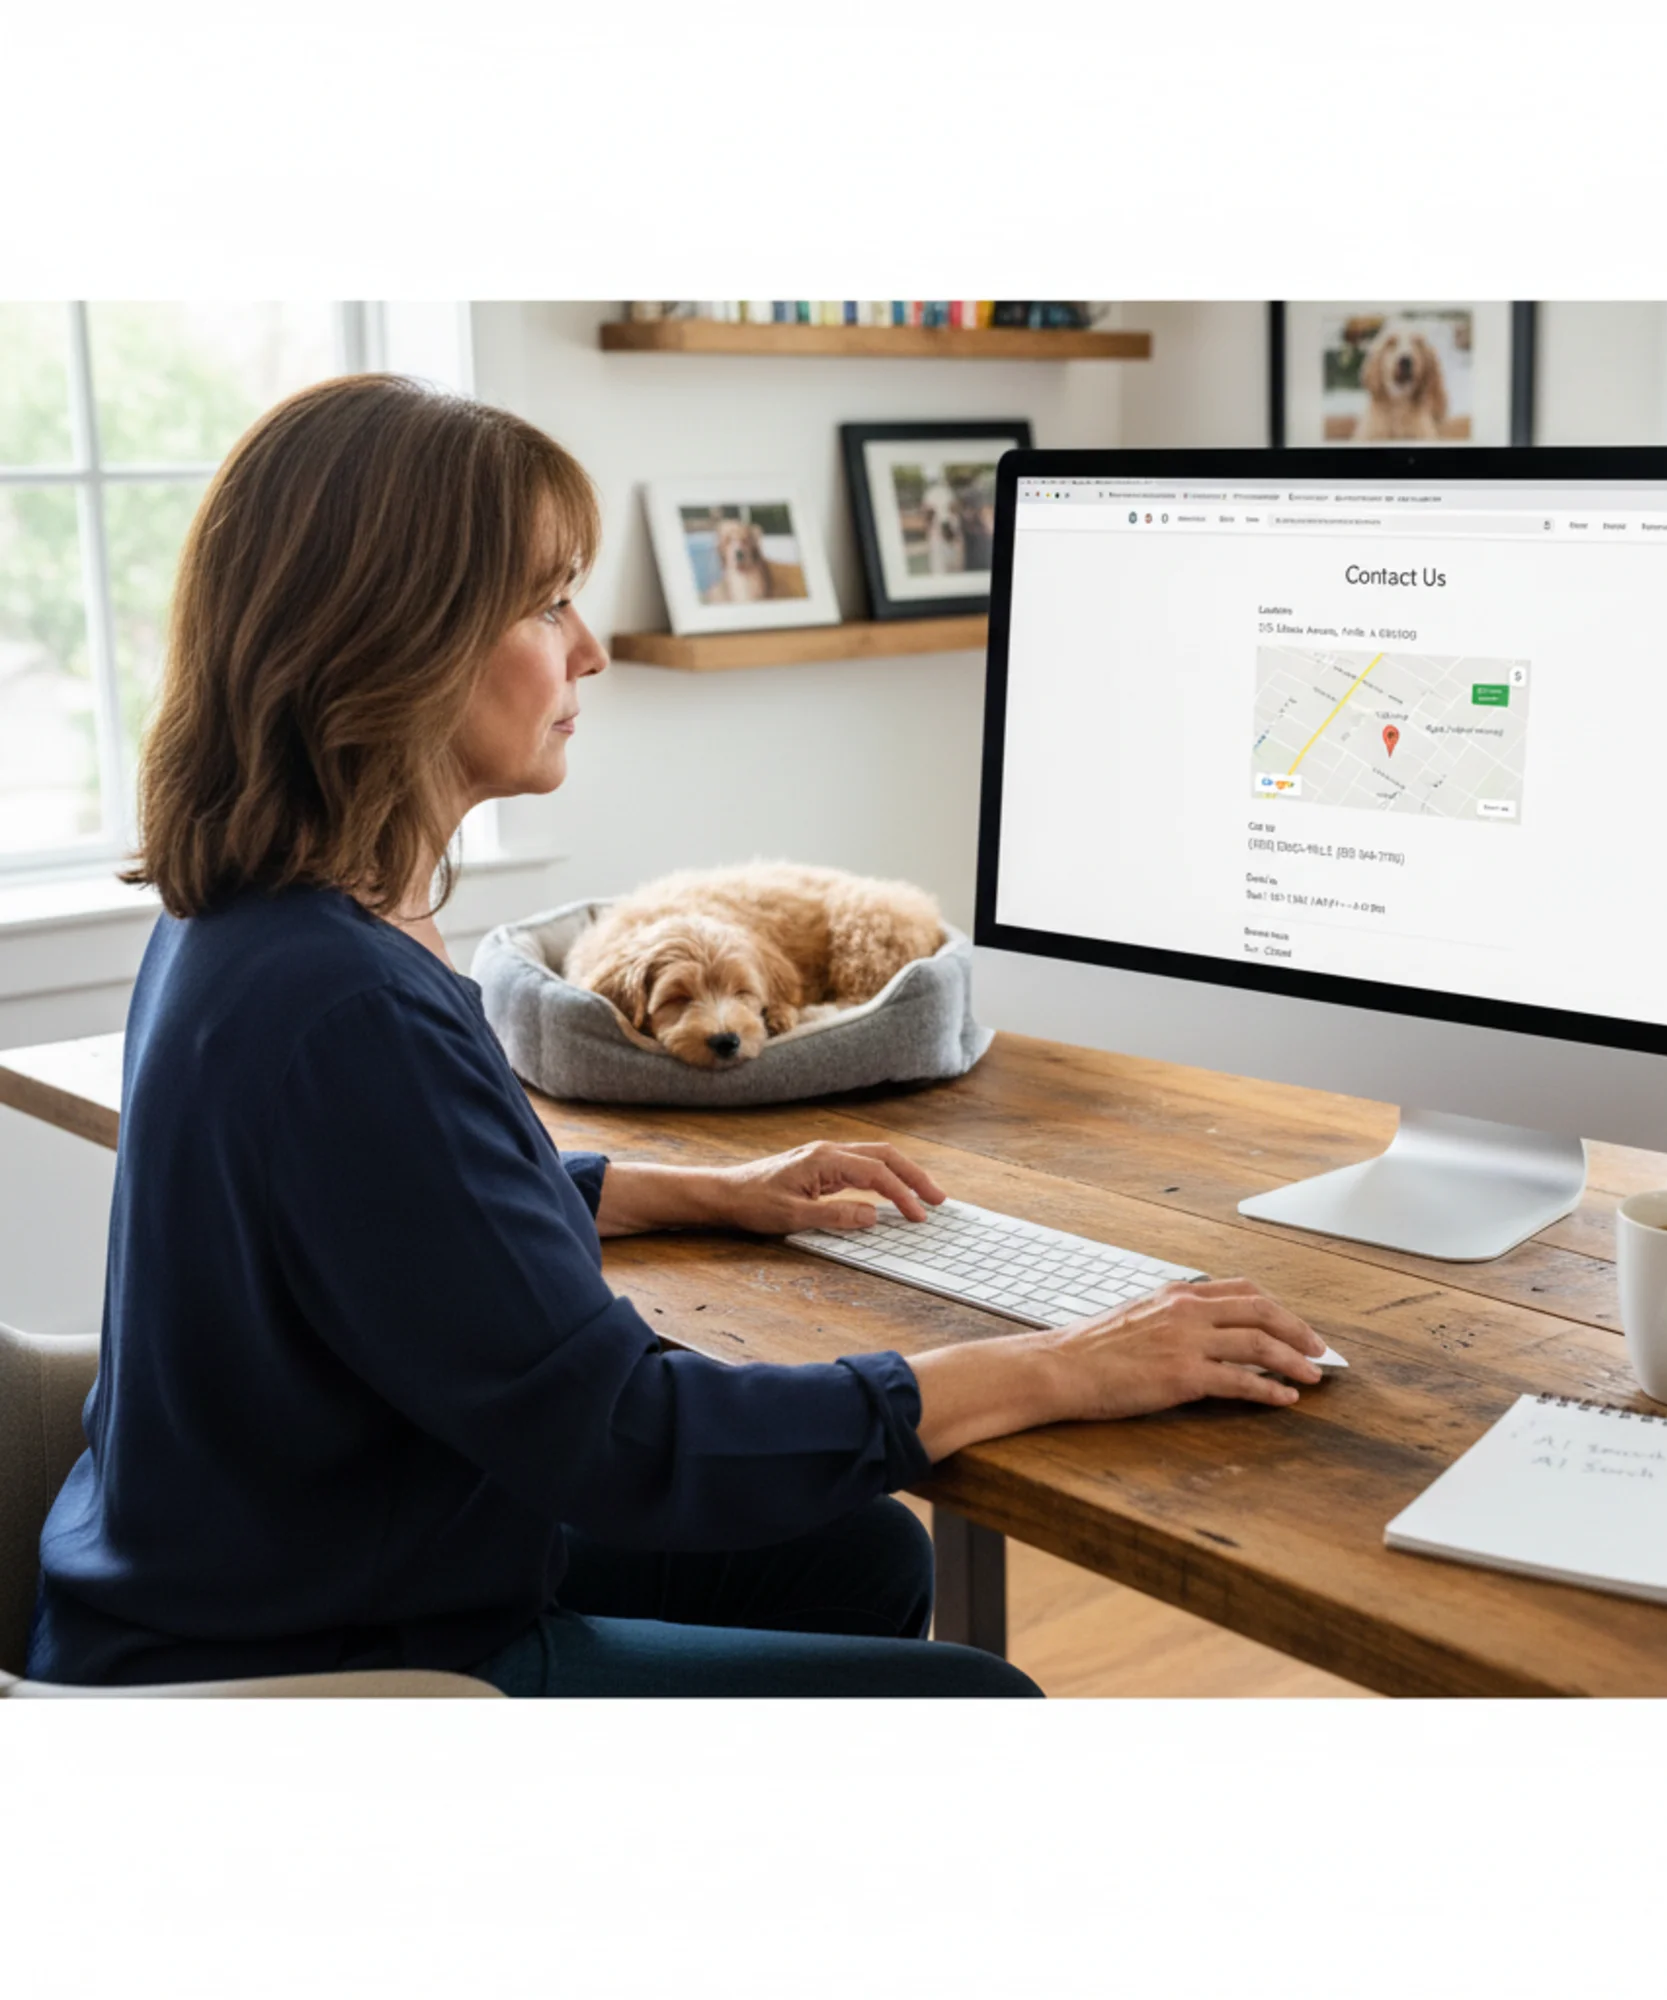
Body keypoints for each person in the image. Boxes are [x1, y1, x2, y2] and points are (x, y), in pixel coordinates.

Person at [27, 376, 1328, 1698]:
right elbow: (634, 1440)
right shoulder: (348, 1003)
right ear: (394, 641)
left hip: (244, 1563)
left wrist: (708, 1193)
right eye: (546, 603)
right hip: (313, 1666)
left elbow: (415, 1227)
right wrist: (1061, 1363)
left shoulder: (254, 916)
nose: (589, 649)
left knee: (856, 1557)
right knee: (980, 1700)